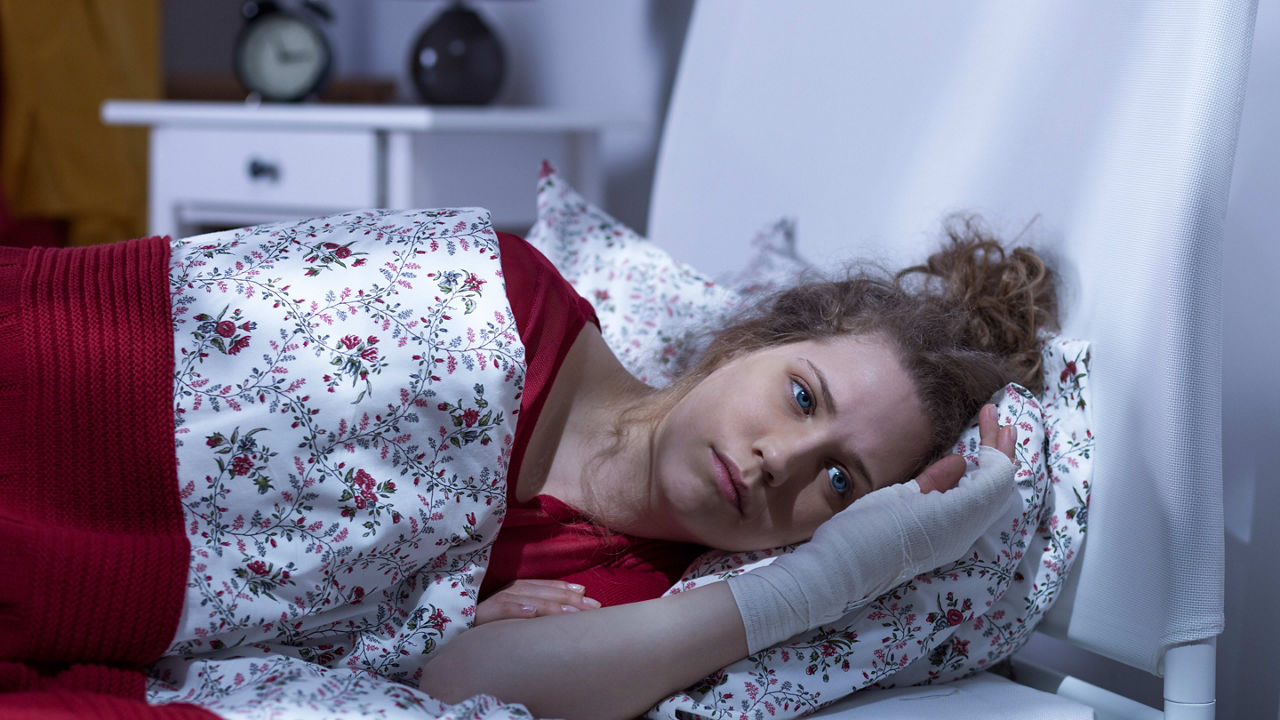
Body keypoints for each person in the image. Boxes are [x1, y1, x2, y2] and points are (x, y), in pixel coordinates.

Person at [0, 210, 1055, 720]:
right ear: (746, 342)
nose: (779, 461)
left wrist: (835, 578)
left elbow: (458, 686)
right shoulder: (502, 292)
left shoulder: (629, 605)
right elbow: (203, 336)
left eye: (838, 484)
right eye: (799, 396)